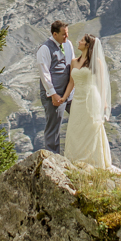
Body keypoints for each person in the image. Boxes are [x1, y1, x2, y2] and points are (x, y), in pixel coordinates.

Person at [61, 33, 116, 169]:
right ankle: (75, 158)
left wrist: (104, 101)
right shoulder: (74, 62)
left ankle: (94, 161)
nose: (78, 42)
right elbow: (71, 83)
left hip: (91, 97)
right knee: (75, 128)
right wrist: (64, 98)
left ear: (87, 44)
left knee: (91, 129)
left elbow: (101, 83)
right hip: (77, 99)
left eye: (81, 40)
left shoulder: (96, 62)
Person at [36, 19, 74, 153]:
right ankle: (53, 157)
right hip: (54, 95)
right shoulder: (45, 49)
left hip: (69, 93)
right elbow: (44, 73)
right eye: (64, 34)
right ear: (55, 34)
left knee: (79, 118)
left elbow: (72, 64)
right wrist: (53, 94)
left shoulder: (68, 44)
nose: (66, 36)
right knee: (54, 127)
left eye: (67, 33)